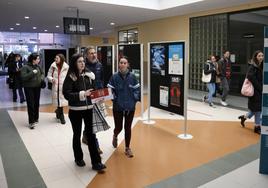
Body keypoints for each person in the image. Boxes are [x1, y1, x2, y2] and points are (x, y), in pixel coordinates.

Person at [63, 53, 106, 172]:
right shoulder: (71, 76)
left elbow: (92, 91)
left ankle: (96, 162)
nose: (82, 63)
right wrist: (82, 94)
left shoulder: (88, 75)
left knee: (91, 135)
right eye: (79, 61)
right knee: (77, 135)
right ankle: (78, 158)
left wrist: (99, 96)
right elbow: (66, 94)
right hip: (75, 111)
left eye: (83, 61)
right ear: (74, 63)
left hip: (89, 109)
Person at [108, 56, 140, 158]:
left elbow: (137, 90)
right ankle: (115, 135)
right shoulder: (114, 77)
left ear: (128, 65)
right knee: (119, 127)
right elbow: (110, 90)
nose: (122, 64)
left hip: (130, 107)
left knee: (127, 127)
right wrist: (115, 100)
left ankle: (127, 148)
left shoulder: (133, 77)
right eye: (121, 63)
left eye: (124, 63)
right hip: (118, 107)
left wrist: (134, 99)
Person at [82, 46, 104, 154]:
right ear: (86, 55)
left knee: (92, 120)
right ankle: (96, 145)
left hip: (98, 96)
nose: (93, 55)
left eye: (94, 53)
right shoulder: (83, 66)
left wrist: (102, 95)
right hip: (87, 97)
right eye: (91, 53)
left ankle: (85, 135)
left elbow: (101, 80)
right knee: (92, 121)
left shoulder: (100, 65)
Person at [238, 50, 263, 134]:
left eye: (262, 56)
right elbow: (250, 77)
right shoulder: (253, 67)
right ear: (255, 57)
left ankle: (244, 117)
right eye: (259, 56)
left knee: (254, 110)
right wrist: (260, 88)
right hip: (254, 91)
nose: (261, 57)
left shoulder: (261, 66)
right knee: (258, 110)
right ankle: (257, 127)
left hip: (259, 91)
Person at [20, 53, 44, 129]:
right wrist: (32, 73)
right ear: (33, 60)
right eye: (37, 59)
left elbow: (43, 73)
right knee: (30, 104)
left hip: (37, 87)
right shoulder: (25, 67)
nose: (39, 60)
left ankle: (36, 118)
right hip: (28, 88)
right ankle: (31, 122)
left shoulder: (38, 67)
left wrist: (41, 79)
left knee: (36, 103)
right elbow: (23, 77)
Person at [47, 54, 69, 124]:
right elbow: (48, 75)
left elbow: (69, 76)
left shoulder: (66, 67)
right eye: (55, 58)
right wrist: (51, 79)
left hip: (63, 86)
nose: (55, 59)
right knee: (58, 101)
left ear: (61, 59)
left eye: (57, 58)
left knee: (61, 101)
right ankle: (61, 115)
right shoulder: (53, 66)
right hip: (55, 86)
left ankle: (58, 112)